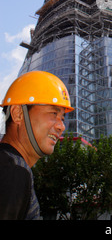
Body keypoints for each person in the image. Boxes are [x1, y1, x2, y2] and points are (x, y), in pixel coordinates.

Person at [0, 70, 74, 220]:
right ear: (18, 113)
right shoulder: (13, 172)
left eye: (62, 118)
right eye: (54, 113)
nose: (61, 127)